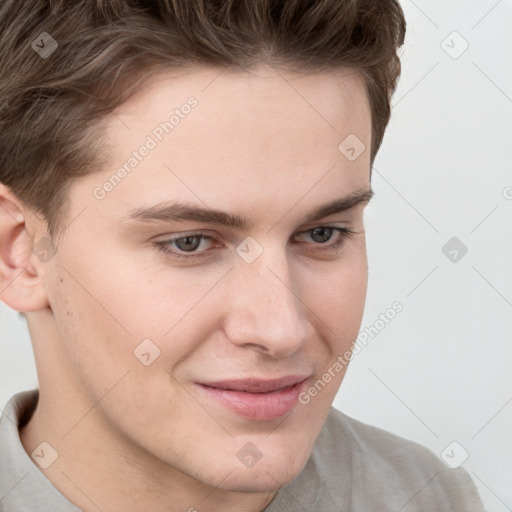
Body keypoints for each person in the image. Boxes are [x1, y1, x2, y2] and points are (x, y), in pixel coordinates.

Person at [0, 0, 486, 510]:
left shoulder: (428, 496)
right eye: (189, 242)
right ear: (21, 253)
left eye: (322, 234)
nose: (281, 329)